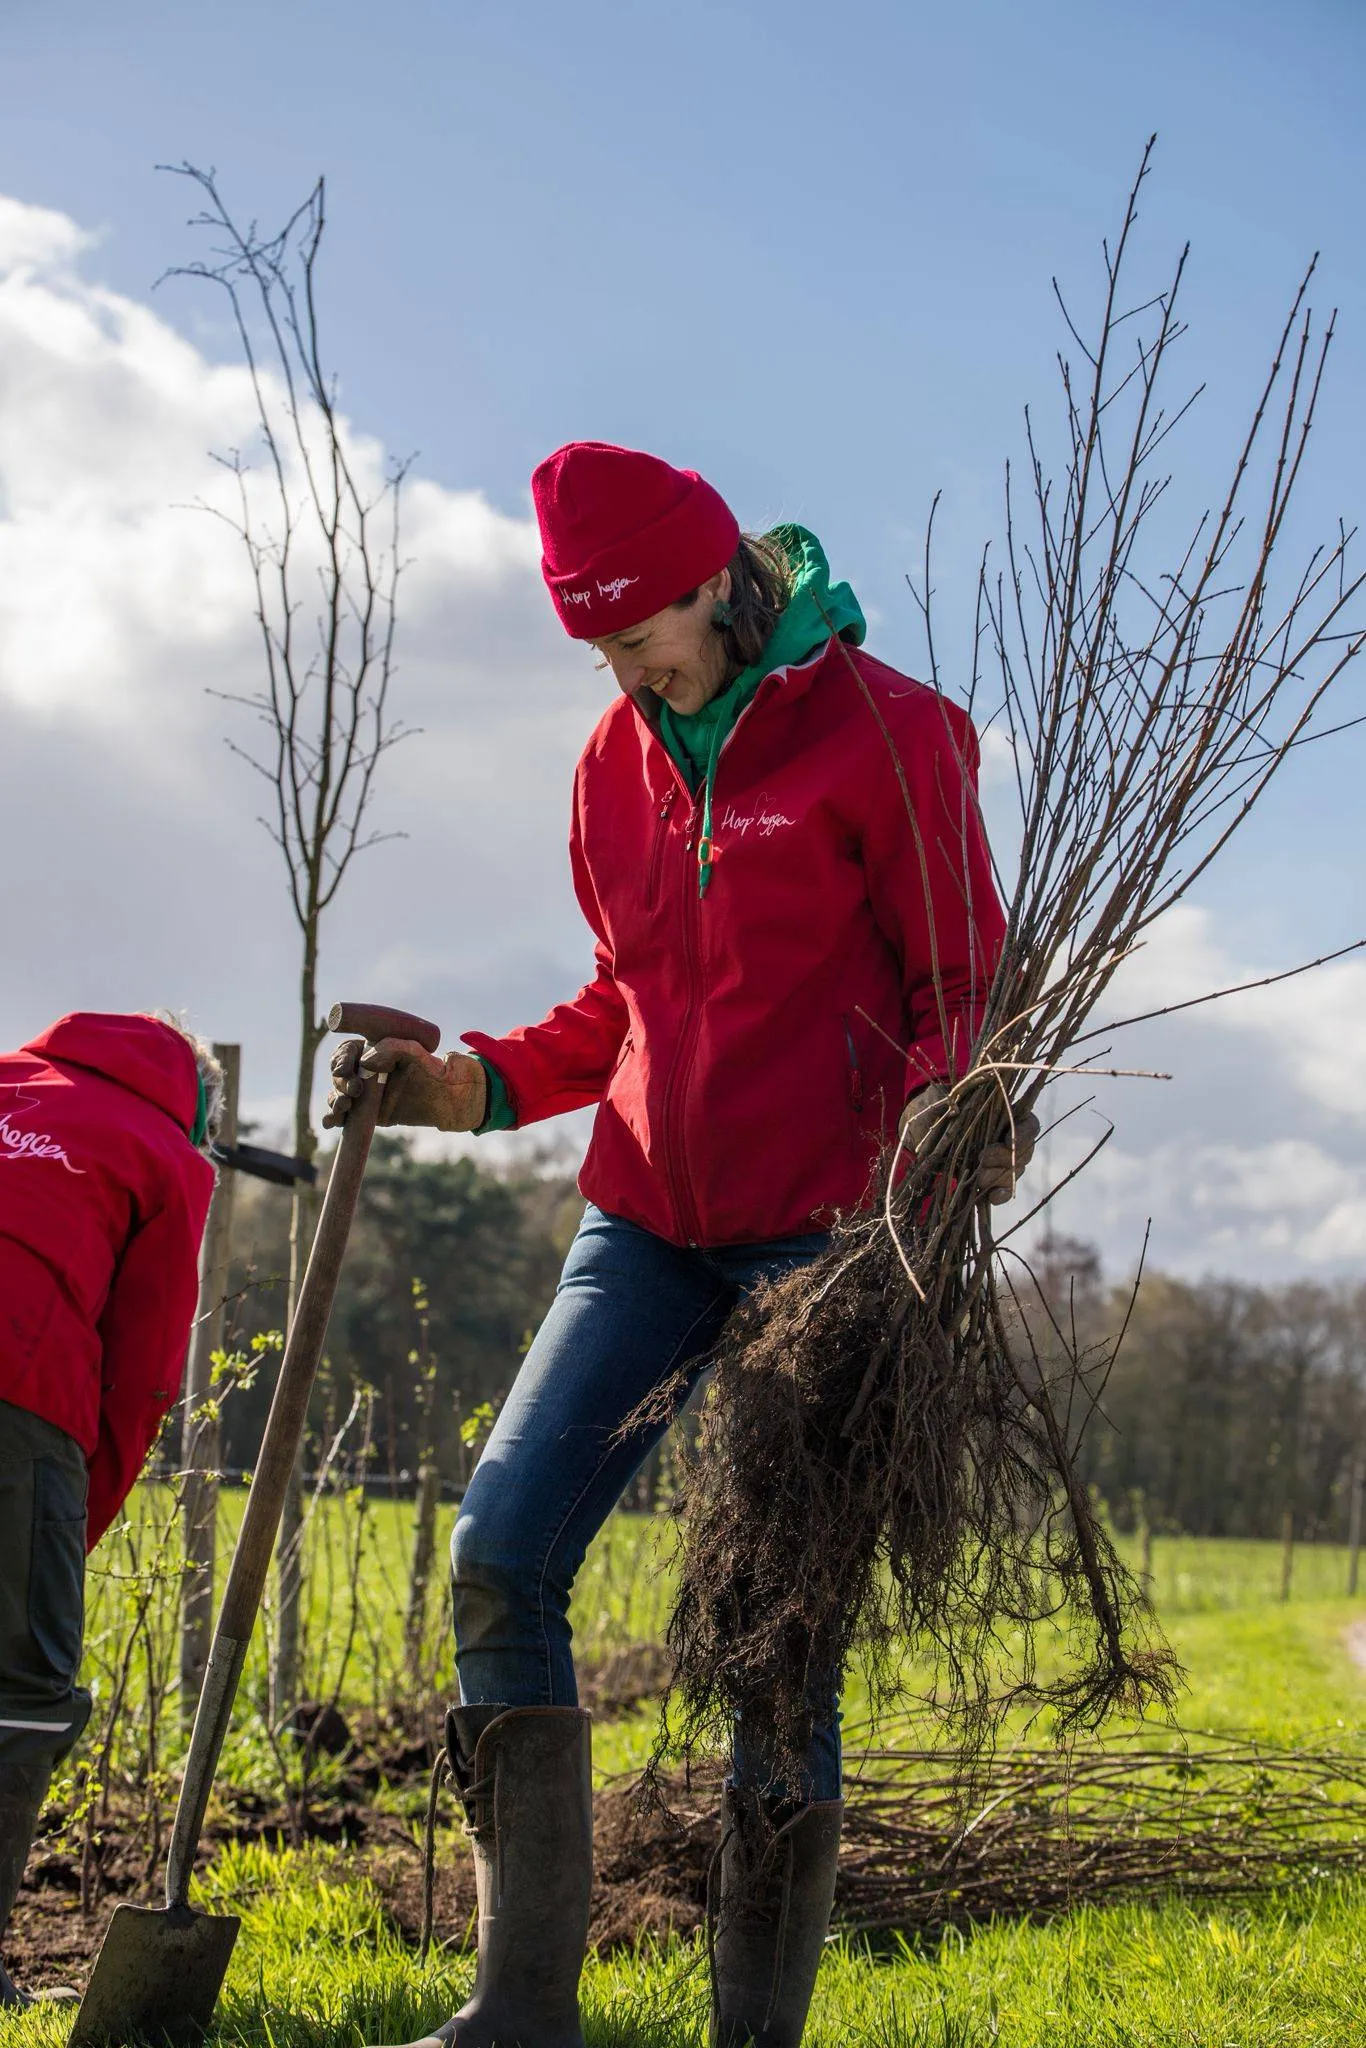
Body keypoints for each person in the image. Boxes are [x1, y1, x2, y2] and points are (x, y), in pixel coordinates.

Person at [329, 442, 1036, 2048]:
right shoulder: (609, 762)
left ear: (718, 578)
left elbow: (957, 994)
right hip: (644, 1216)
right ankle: (520, 2012)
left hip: (828, 1238)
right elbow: (624, 1005)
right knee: (500, 1548)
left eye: (642, 626)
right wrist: (475, 1085)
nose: (630, 664)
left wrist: (951, 1127)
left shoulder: (891, 734)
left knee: (776, 1630)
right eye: (600, 643)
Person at [0, 1012, 219, 2007]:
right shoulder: (170, 1156)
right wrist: (68, 1526)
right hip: (19, 1386)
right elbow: (140, 1376)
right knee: (25, 1687)